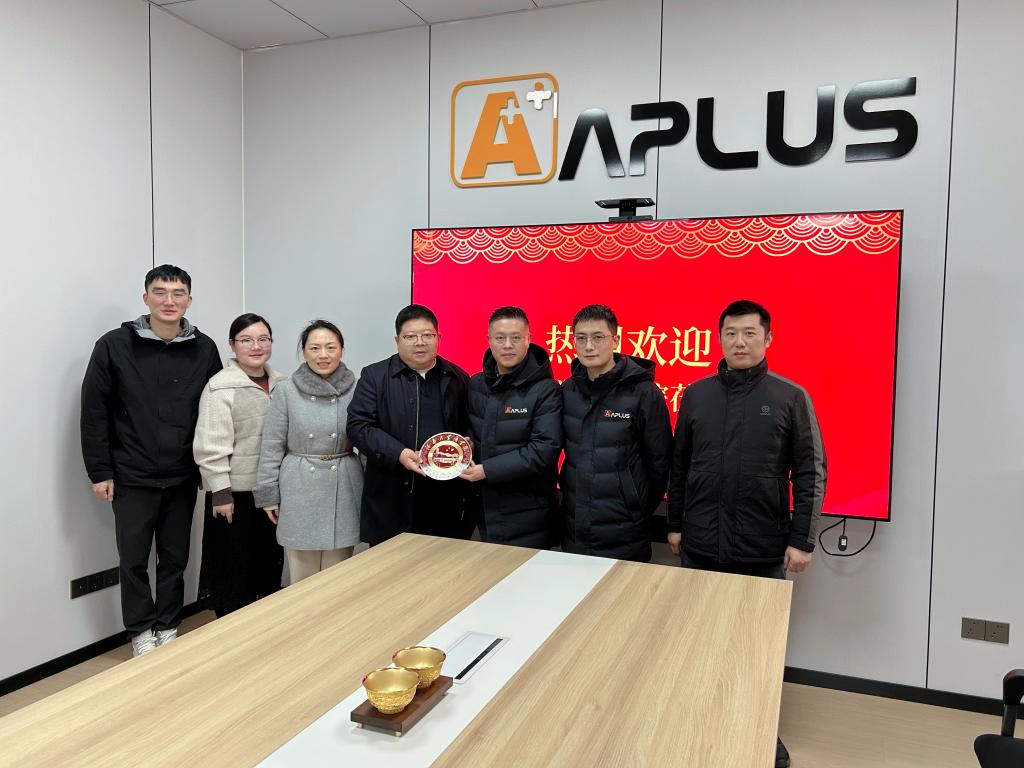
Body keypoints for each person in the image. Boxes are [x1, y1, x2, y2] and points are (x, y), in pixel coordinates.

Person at [667, 299, 827, 768]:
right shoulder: (696, 395)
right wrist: (674, 525)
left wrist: (802, 539)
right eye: (731, 333)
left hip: (761, 547)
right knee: (699, 641)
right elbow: (680, 466)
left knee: (756, 650)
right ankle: (698, 726)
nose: (739, 342)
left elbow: (811, 472)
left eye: (749, 333)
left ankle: (759, 733)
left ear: (768, 339)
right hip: (700, 544)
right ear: (719, 339)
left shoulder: (790, 397)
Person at [80, 264, 222, 656]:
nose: (169, 300)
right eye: (160, 292)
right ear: (145, 298)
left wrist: (207, 467)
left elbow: (215, 413)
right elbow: (94, 412)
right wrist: (100, 470)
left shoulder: (205, 348)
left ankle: (168, 624)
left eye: (178, 293)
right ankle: (141, 631)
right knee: (133, 560)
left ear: (189, 300)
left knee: (175, 558)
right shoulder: (113, 345)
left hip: (182, 474)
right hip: (131, 473)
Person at [347, 304, 476, 546]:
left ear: (439, 338)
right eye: (410, 336)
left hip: (446, 499)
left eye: (427, 335)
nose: (420, 342)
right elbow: (358, 426)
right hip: (391, 497)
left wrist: (467, 443)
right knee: (391, 567)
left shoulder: (458, 377)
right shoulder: (375, 376)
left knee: (444, 565)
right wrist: (399, 453)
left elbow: (471, 423)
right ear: (397, 340)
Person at [560, 304, 672, 562]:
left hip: (625, 530)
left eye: (598, 337)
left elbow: (660, 464)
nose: (589, 346)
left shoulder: (644, 393)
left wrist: (635, 506)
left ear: (615, 340)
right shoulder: (568, 390)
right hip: (574, 525)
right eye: (581, 338)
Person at [253, 320, 363, 583]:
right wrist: (269, 495)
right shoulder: (286, 390)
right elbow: (272, 445)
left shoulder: (358, 388)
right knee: (303, 578)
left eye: (330, 347)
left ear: (342, 350)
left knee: (339, 576)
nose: (323, 355)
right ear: (303, 351)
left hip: (344, 482)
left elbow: (368, 439)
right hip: (299, 484)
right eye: (314, 348)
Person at [193, 313, 285, 616]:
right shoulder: (220, 387)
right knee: (234, 571)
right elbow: (210, 447)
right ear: (232, 345)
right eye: (246, 340)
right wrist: (221, 493)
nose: (256, 346)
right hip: (234, 497)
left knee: (269, 566)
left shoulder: (283, 384)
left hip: (271, 493)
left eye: (262, 339)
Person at [461, 306, 562, 547]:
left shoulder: (547, 389)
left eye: (516, 337)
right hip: (484, 507)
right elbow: (470, 427)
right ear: (489, 340)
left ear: (528, 339)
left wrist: (487, 470)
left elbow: (544, 449)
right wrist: (466, 444)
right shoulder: (476, 384)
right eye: (500, 338)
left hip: (530, 511)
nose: (507, 345)